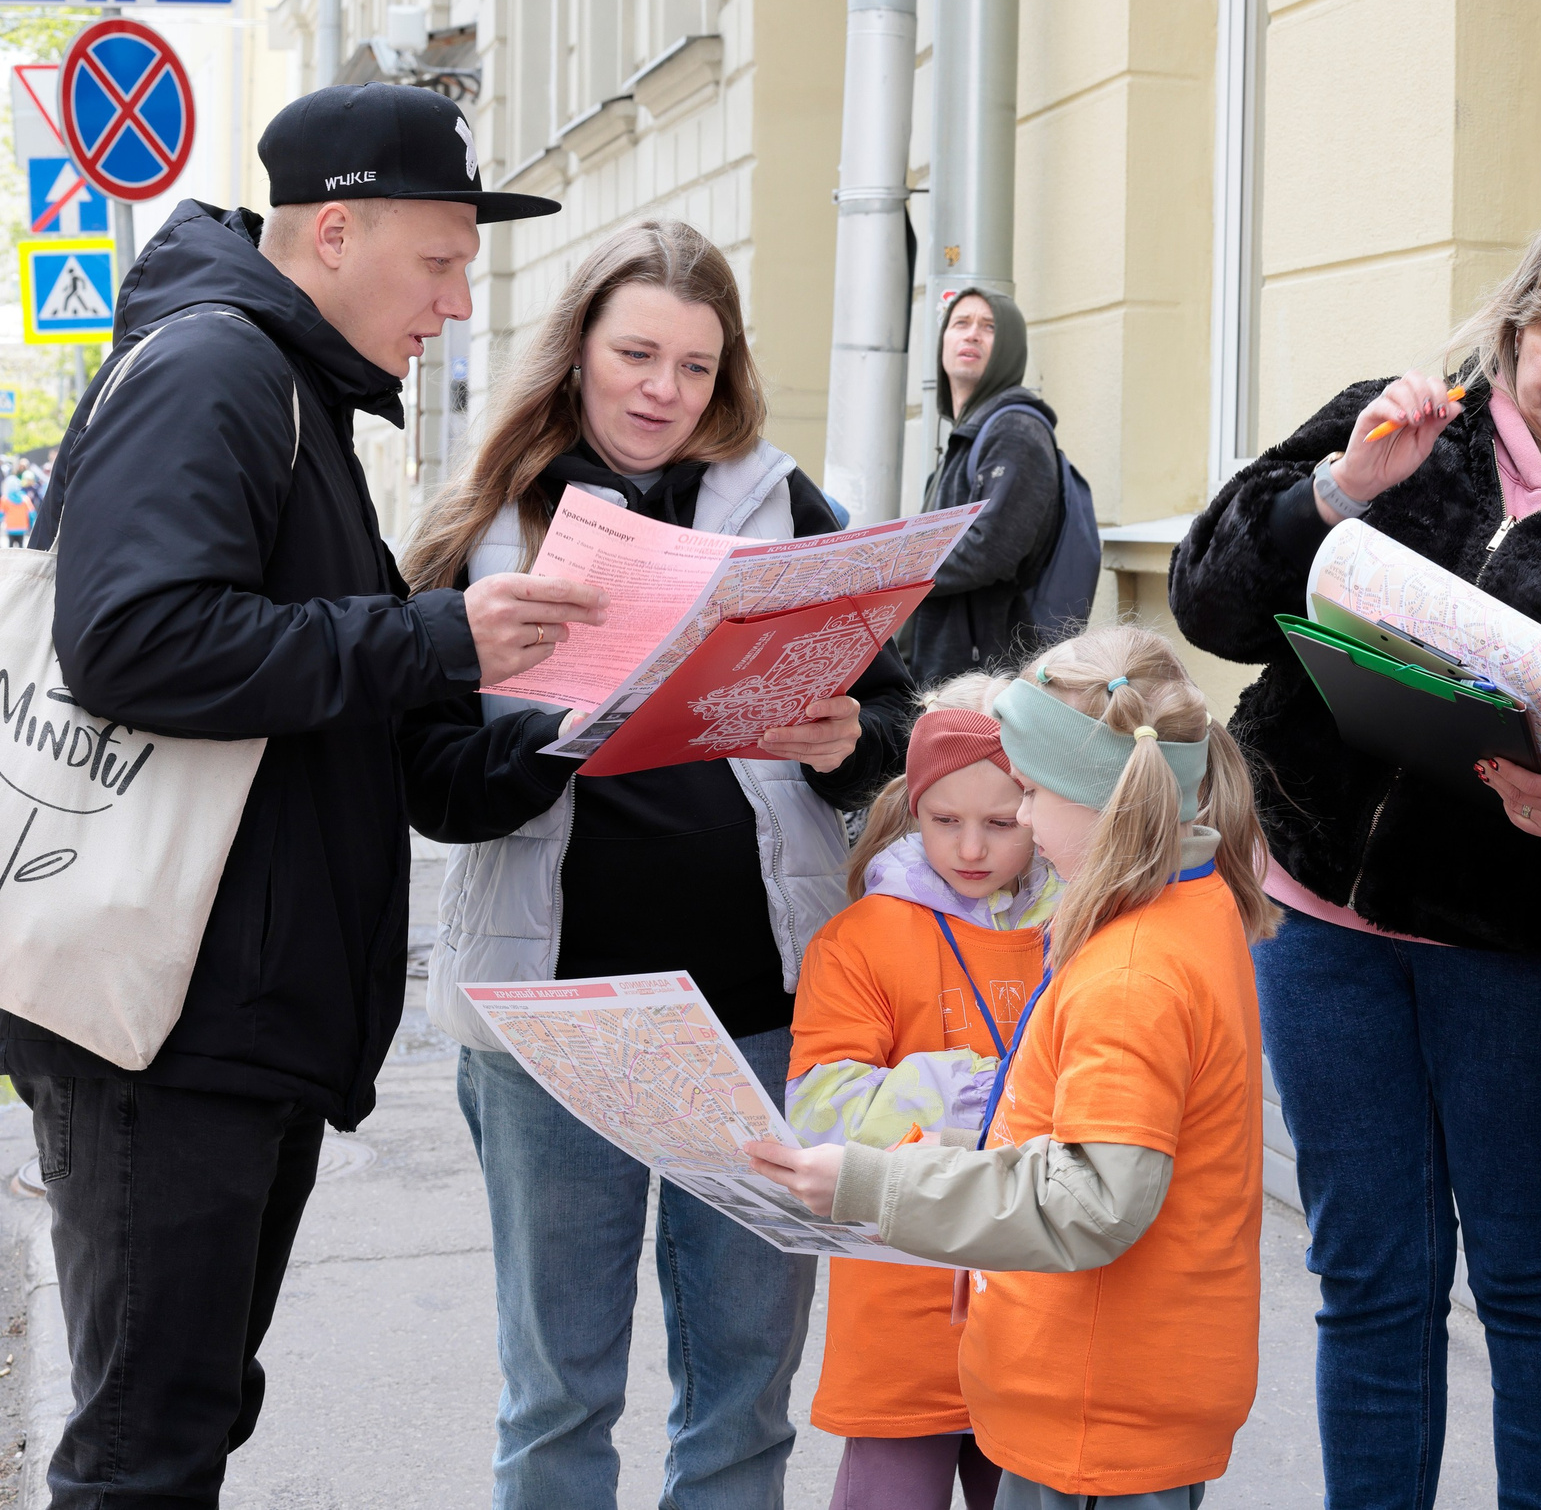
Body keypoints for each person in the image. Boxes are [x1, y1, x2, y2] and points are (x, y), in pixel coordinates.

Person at [4, 82, 590, 1508]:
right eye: (442, 261)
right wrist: (438, 636)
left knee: (186, 1417)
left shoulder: (290, 394)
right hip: (171, 1022)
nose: (457, 303)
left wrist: (579, 726)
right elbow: (137, 640)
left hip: (230, 1014)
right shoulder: (220, 373)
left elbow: (344, 729)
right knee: (147, 1446)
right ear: (336, 231)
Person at [1168, 200, 1541, 1506]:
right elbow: (1210, 601)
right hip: (1321, 929)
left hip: (1519, 951)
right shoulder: (1405, 425)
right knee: (1373, 1281)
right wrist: (1339, 491)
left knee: (1535, 1285)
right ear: (1512, 324)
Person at [398, 218, 915, 1508]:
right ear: (576, 350)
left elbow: (896, 734)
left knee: (742, 1396)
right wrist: (554, 739)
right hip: (551, 1024)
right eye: (636, 353)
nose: (661, 390)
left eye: (694, 365)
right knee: (557, 1397)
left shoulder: (787, 506)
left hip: (757, 1016)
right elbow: (427, 788)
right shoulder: (492, 526)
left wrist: (848, 739)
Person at [748, 624, 1278, 1510]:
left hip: (1092, 1408)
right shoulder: (1191, 903)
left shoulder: (1130, 968)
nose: (1017, 822)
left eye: (1026, 795)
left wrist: (879, 1183)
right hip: (1123, 1389)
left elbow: (1092, 1199)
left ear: (1096, 799)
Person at [785, 674, 1061, 1510]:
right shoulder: (862, 937)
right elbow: (820, 1108)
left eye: (1001, 824)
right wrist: (969, 1088)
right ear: (912, 808)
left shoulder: (1079, 924)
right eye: (945, 822)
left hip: (1036, 1307)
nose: (971, 850)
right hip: (902, 1307)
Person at [909, 288, 1063, 684]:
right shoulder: (970, 435)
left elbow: (988, 549)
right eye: (960, 323)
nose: (972, 334)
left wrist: (894, 566)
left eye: (989, 327)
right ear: (943, 342)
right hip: (953, 670)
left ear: (1010, 348)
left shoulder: (1016, 431)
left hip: (986, 679)